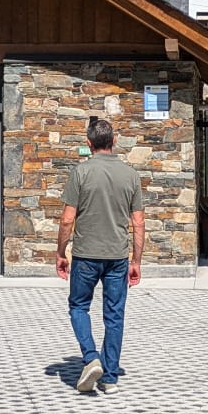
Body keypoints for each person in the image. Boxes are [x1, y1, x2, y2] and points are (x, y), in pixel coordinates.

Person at [56, 116, 144, 394]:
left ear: (89, 143)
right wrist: (136, 261)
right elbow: (139, 222)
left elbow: (67, 219)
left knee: (78, 307)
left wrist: (60, 252)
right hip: (117, 256)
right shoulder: (130, 175)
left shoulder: (80, 173)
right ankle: (110, 378)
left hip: (86, 255)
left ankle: (91, 357)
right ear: (114, 141)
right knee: (114, 315)